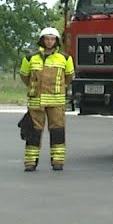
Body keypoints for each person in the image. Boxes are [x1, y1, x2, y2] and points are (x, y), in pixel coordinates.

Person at [19, 27, 74, 172]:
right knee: (33, 131)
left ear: (56, 41)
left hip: (56, 102)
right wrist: (34, 88)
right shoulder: (30, 58)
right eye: (47, 39)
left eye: (52, 39)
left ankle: (57, 161)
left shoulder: (65, 58)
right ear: (42, 40)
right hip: (36, 102)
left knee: (57, 130)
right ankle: (30, 162)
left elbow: (69, 77)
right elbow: (25, 76)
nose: (49, 42)